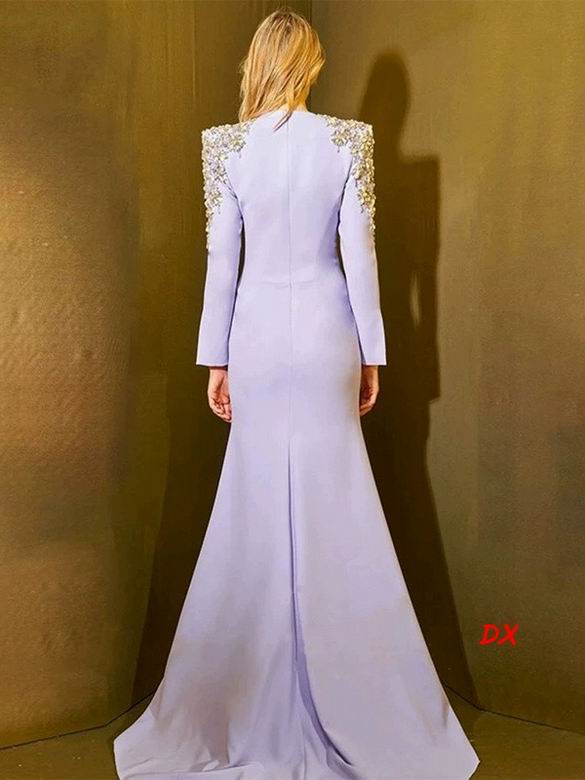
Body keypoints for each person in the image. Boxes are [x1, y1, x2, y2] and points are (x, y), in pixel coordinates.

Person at [113, 8, 480, 780]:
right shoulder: (347, 140)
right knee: (338, 507)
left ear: (256, 63)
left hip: (253, 339)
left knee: (249, 505)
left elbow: (222, 263)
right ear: (310, 64)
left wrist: (215, 360)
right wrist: (371, 355)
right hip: (326, 337)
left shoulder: (225, 147)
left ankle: (232, 702)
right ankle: (371, 706)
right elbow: (360, 258)